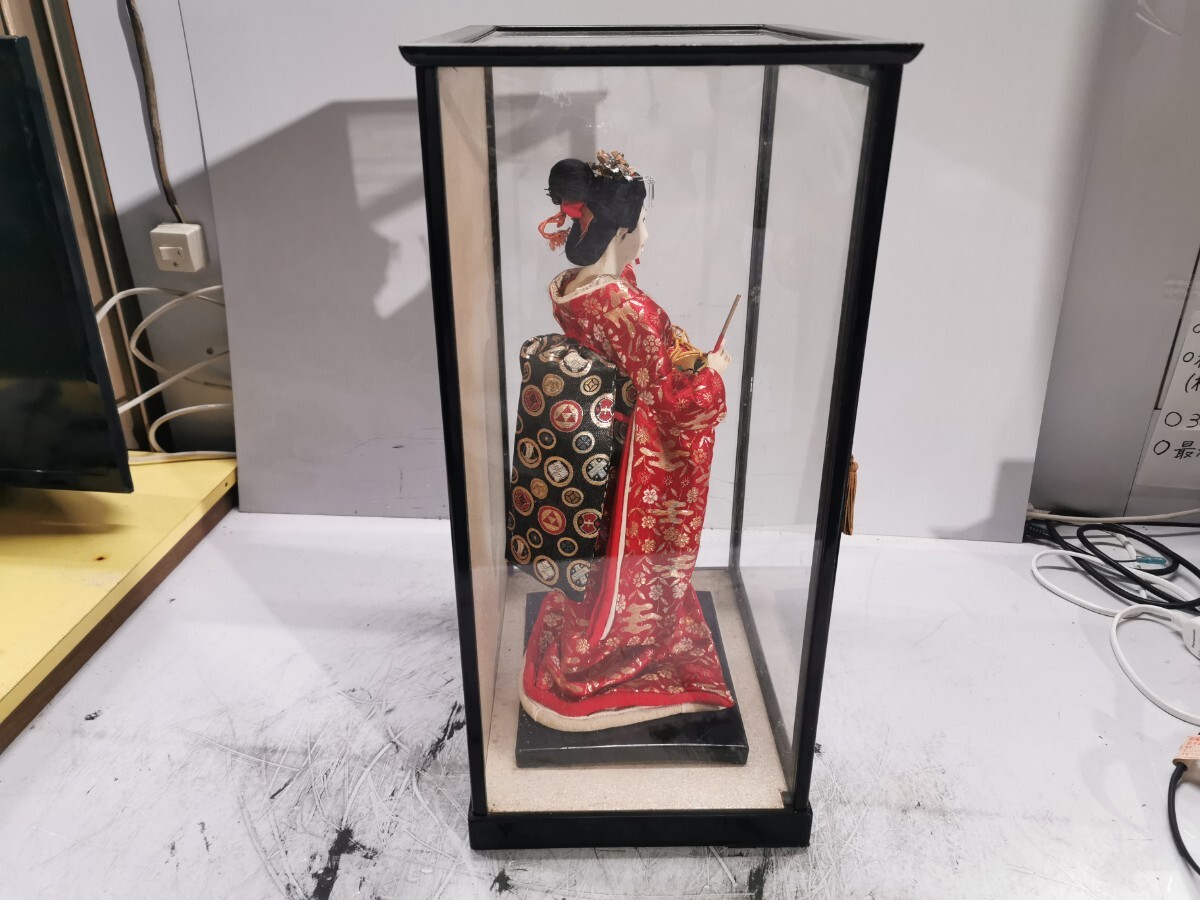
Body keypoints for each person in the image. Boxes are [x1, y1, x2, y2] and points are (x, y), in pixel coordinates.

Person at [520, 151, 736, 732]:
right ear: (620, 230)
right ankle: (620, 643)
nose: (648, 233)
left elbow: (638, 346)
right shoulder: (627, 305)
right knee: (629, 552)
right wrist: (712, 372)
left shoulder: (576, 287)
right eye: (643, 221)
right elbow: (670, 397)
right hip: (636, 445)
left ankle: (598, 616)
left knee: (603, 550)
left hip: (601, 436)